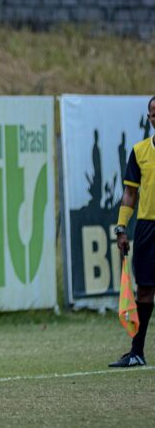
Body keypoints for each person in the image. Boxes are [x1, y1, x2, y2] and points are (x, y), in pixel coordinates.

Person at [110, 96, 155, 367]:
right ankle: (137, 352)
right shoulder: (139, 151)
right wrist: (121, 228)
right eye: (153, 113)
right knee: (145, 290)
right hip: (148, 227)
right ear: (149, 118)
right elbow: (129, 194)